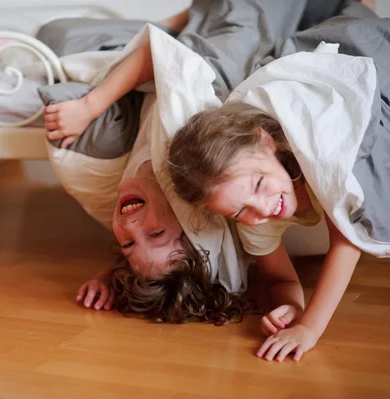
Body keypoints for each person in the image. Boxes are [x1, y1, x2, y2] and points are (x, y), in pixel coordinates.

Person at [43, 0, 343, 324]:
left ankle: (193, 16)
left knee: (57, 35)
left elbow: (149, 259)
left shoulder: (120, 183)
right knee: (248, 23)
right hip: (223, 56)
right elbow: (159, 56)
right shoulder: (190, 149)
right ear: (191, 216)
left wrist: (111, 278)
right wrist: (293, 309)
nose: (130, 227)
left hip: (195, 43)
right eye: (155, 234)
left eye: (128, 244)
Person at [166, 2, 387, 360]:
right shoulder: (251, 209)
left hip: (351, 49)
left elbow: (347, 239)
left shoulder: (317, 151)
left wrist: (310, 328)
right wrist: (291, 309)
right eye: (239, 213)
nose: (262, 210)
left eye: (257, 185)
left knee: (357, 20)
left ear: (267, 143)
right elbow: (281, 280)